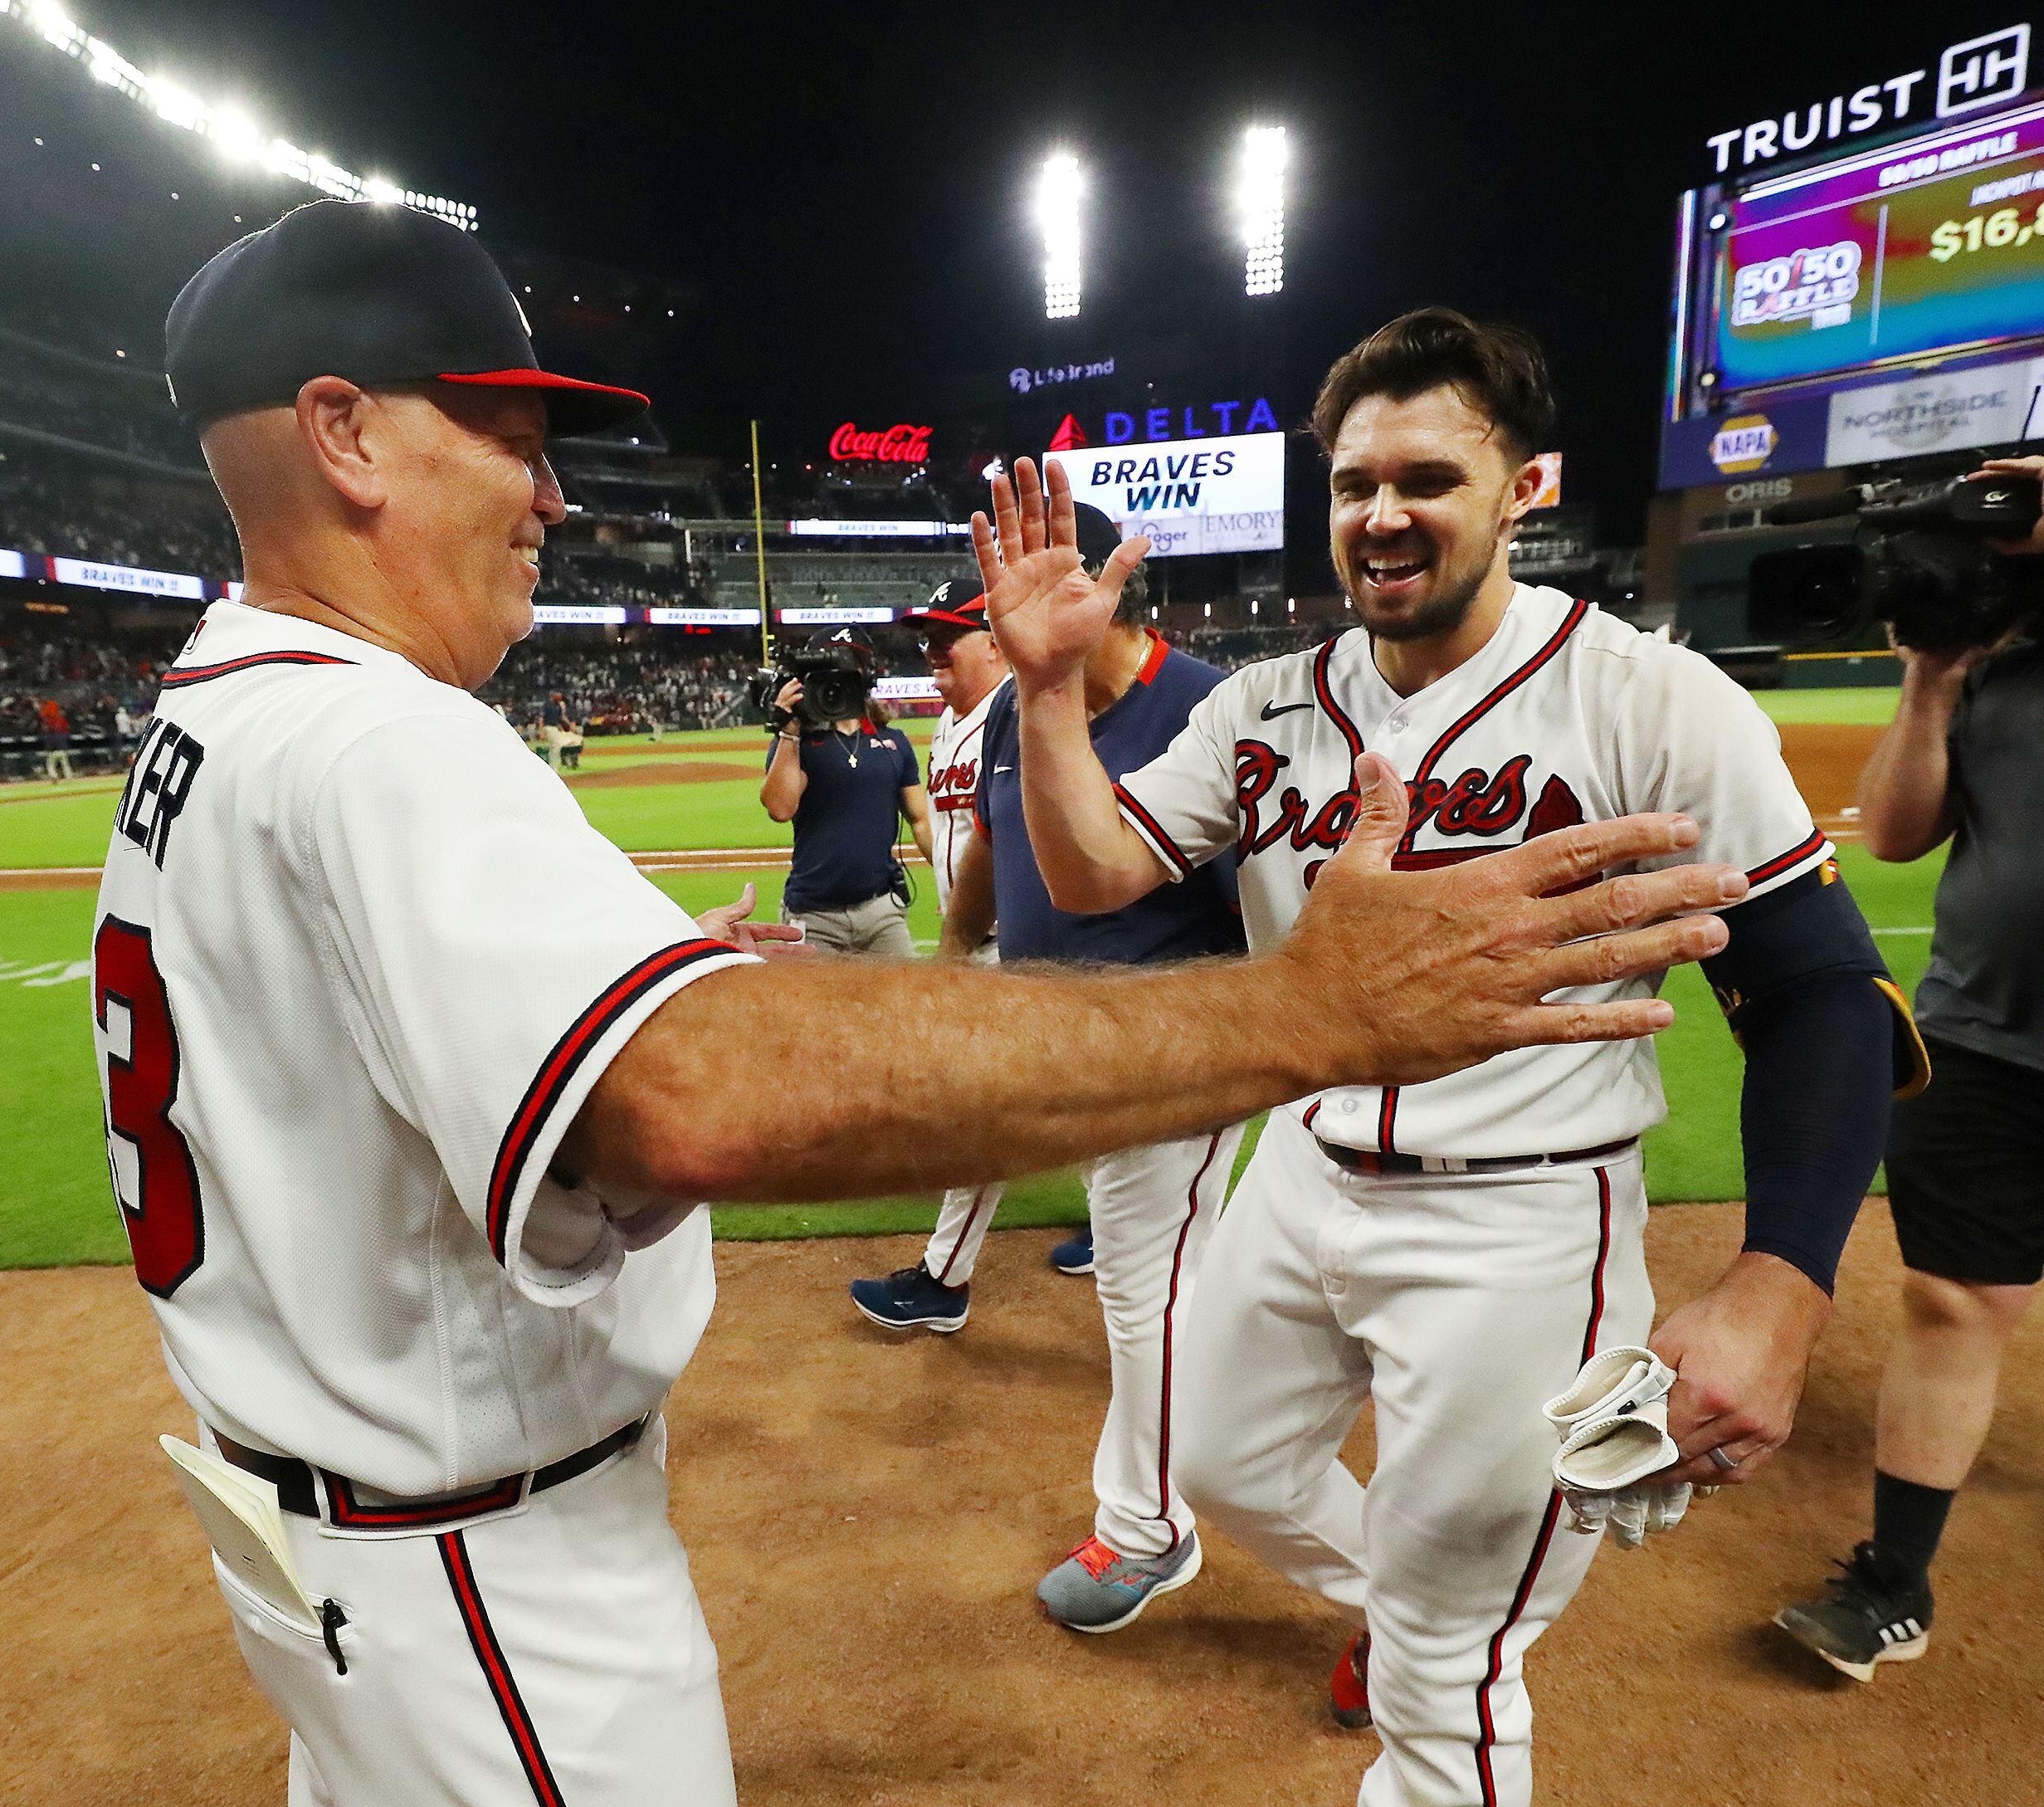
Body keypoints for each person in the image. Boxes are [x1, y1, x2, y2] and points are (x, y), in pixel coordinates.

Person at [102, 203, 1741, 1807]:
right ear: (345, 432)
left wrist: (666, 986)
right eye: (509, 431)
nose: (549, 487)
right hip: (473, 1570)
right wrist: (1312, 1010)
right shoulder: (378, 739)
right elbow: (703, 1099)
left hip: (328, 1532)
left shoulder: (216, 708)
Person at [987, 309, 1916, 1807]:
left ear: (1526, 488)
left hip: (1524, 1212)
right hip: (1295, 1168)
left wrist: (1779, 1288)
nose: (1383, 514)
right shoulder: (1268, 703)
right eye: (1355, 483)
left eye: (1429, 476)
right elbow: (1096, 871)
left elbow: (1821, 996)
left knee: (1448, 1673)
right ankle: (1450, 1579)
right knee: (1216, 1467)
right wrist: (1043, 691)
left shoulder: (1651, 699)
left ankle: (1450, 1623)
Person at [869, 505, 1251, 1633]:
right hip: (1063, 1040)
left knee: (1146, 1286)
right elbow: (992, 843)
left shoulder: (1210, 708)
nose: (1012, 618)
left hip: (1172, 1049)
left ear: (1103, 588)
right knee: (1175, 1266)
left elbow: (1275, 910)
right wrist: (956, 958)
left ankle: (1151, 1529)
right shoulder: (1016, 710)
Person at [1775, 457, 2044, 1682]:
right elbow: (1892, 830)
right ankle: (1894, 1580)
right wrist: (1930, 685)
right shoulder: (1987, 661)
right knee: (1952, 1300)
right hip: (1987, 1036)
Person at [848, 574, 1032, 1332]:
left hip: (1015, 950)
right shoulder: (949, 725)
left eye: (946, 636)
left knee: (981, 1118)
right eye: (925, 637)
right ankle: (1113, 1213)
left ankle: (943, 1279)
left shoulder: (1021, 711)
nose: (931, 651)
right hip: (974, 946)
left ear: (995, 642)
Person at [757, 626, 934, 956]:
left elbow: (920, 819)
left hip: (882, 911)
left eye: (851, 666)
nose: (840, 676)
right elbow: (780, 808)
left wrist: (951, 881)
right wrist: (790, 729)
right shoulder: (797, 743)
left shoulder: (894, 741)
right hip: (814, 914)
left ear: (866, 676)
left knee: (904, 1005)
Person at [40, 696, 72, 780]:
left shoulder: (49, 721)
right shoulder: (62, 720)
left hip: (53, 747)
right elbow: (67, 730)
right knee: (65, 763)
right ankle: (69, 777)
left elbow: (45, 729)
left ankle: (54, 776)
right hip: (62, 746)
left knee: (51, 764)